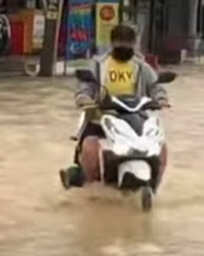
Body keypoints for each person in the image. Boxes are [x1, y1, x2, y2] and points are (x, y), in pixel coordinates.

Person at [59, 24, 170, 189]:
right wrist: (84, 99)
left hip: (135, 118)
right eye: (120, 44)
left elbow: (155, 87)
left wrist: (161, 99)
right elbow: (85, 88)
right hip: (101, 119)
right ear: (112, 44)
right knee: (90, 149)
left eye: (128, 44)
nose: (124, 48)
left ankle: (155, 184)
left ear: (134, 44)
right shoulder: (98, 65)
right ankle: (91, 188)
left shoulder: (142, 67)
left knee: (161, 148)